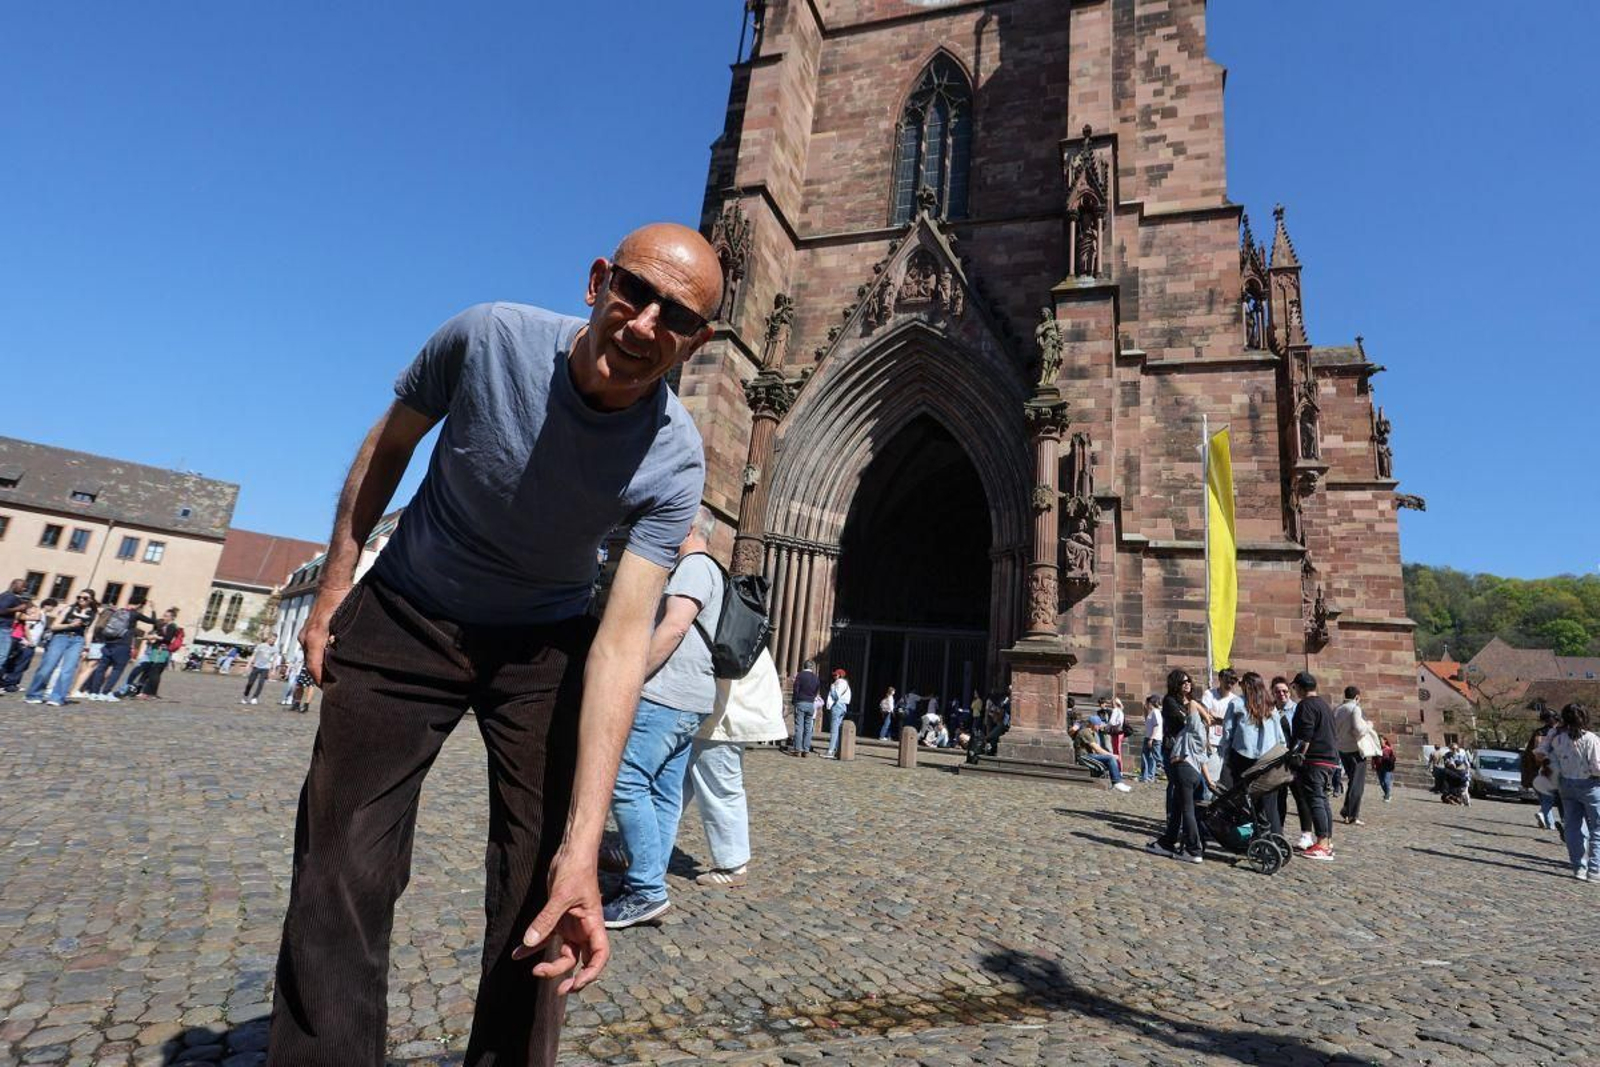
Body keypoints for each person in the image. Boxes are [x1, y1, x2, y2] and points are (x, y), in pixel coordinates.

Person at [265, 222, 722, 1067]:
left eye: (681, 318)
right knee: (342, 865)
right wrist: (334, 588)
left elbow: (621, 642)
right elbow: (390, 441)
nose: (648, 325)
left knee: (542, 884)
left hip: (544, 646)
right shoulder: (488, 337)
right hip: (410, 609)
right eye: (636, 291)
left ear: (700, 340)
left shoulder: (673, 457)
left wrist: (585, 849)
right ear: (596, 281)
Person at [604, 509, 724, 928]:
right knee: (663, 793)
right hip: (692, 699)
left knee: (626, 780)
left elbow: (674, 628)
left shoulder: (693, 567)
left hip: (667, 696)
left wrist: (631, 675)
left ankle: (646, 890)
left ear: (689, 529)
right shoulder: (714, 571)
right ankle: (647, 880)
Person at [685, 649, 786, 890]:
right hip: (720, 710)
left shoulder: (732, 620)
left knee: (720, 787)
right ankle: (643, 849)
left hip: (725, 713)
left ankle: (732, 865)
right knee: (674, 783)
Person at [1148, 671, 1213, 862]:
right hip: (1181, 756)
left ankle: (1193, 849)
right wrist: (1205, 716)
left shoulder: (1192, 709)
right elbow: (1184, 718)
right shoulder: (1171, 702)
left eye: (1189, 681)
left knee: (1185, 806)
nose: (1187, 684)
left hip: (1185, 760)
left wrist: (1203, 714)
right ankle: (1168, 842)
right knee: (1178, 802)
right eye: (1183, 681)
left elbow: (1193, 711)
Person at [1220, 672, 1288, 836]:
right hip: (1269, 759)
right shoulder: (1270, 706)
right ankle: (1275, 835)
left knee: (1243, 799)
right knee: (1269, 801)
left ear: (1246, 686)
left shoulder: (1236, 704)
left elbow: (1228, 733)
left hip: (1242, 758)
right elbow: (1280, 737)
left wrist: (1225, 755)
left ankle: (1247, 833)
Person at [1540, 703, 1600, 881]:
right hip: (1590, 784)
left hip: (1566, 783)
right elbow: (1597, 767)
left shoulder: (1558, 738)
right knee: (1597, 827)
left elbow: (1545, 755)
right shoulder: (1590, 739)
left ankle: (1579, 867)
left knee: (1572, 826)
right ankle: (1595, 869)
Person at [1288, 671, 1339, 861]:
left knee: (1316, 800)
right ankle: (1327, 841)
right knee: (1323, 800)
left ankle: (1322, 844)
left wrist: (1297, 756)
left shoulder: (1305, 706)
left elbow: (1305, 736)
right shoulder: (1324, 705)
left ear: (1300, 687)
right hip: (1329, 759)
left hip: (1314, 760)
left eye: (1295, 688)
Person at [25, 592, 97, 706]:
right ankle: (34, 694)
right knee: (47, 666)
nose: (81, 599)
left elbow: (90, 632)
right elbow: (54, 626)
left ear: (91, 600)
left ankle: (57, 697)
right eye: (79, 597)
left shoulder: (94, 614)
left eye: (85, 598)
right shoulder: (69, 608)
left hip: (78, 641)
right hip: (61, 637)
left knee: (68, 670)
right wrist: (69, 625)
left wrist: (87, 648)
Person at [83, 595, 158, 701]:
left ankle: (94, 692)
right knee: (117, 670)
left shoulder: (118, 611)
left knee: (101, 668)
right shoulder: (135, 614)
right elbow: (153, 621)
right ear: (139, 605)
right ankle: (105, 693)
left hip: (109, 643)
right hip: (123, 645)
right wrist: (153, 609)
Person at [1333, 685, 1375, 825]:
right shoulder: (1354, 708)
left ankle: (1347, 811)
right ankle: (1352, 815)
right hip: (1355, 750)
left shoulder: (1338, 709)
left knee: (1352, 781)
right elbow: (1358, 729)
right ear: (1357, 697)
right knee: (1358, 784)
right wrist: (1369, 725)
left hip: (1342, 749)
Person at [1201, 667, 1242, 786]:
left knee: (1225, 781)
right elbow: (1205, 715)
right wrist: (1223, 720)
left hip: (1228, 744)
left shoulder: (1235, 699)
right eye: (1227, 681)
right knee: (1211, 778)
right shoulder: (1209, 694)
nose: (1230, 684)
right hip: (1212, 742)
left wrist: (1218, 719)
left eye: (1233, 682)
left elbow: (1234, 722)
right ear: (1220, 679)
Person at [1071, 716, 1133, 792]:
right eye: (1098, 724)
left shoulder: (1092, 733)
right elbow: (1097, 749)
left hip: (1089, 755)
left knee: (1109, 759)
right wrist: (1111, 755)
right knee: (1110, 758)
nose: (1100, 726)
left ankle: (1118, 782)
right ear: (1093, 725)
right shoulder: (1085, 732)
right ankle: (1117, 782)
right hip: (1083, 757)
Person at [1525, 708, 1562, 830]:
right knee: (1555, 798)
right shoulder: (1560, 732)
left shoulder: (1539, 733)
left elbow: (1530, 754)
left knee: (1546, 797)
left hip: (1541, 769)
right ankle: (1551, 820)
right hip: (1555, 770)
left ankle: (1547, 818)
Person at [1, 598, 50, 691]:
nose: (33, 609)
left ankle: (7, 683)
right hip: (14, 638)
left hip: (17, 638)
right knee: (7, 661)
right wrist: (37, 613)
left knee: (12, 662)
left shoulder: (23, 614)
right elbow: (30, 621)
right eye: (31, 607)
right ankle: (7, 683)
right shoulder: (20, 614)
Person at [790, 659, 821, 757]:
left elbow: (796, 689)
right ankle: (806, 750)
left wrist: (794, 701)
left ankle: (798, 749)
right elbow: (816, 690)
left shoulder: (800, 675)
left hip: (800, 702)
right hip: (810, 704)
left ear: (804, 666)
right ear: (812, 667)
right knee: (808, 728)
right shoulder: (816, 678)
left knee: (799, 727)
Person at [239, 633, 278, 705]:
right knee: (250, 683)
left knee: (261, 684)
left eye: (274, 640)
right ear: (268, 638)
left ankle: (254, 698)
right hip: (256, 666)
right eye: (272, 639)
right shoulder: (261, 646)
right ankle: (245, 696)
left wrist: (273, 670)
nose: (273, 641)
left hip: (266, 667)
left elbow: (275, 660)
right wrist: (248, 665)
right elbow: (253, 655)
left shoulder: (275, 648)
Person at [822, 668, 852, 759]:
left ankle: (830, 751)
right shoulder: (846, 683)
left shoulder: (839, 682)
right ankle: (836, 750)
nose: (834, 676)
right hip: (843, 707)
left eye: (835, 675)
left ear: (839, 675)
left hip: (837, 706)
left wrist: (832, 688)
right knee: (838, 729)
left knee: (834, 730)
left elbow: (836, 696)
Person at [0, 579, 27, 675]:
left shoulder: (6, 595)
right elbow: (1, 610)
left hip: (4, 628)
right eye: (22, 586)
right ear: (14, 585)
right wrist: (18, 608)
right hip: (3, 629)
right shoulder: (9, 597)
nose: (24, 589)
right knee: (2, 656)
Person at [1139, 694, 1164, 782]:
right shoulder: (1151, 712)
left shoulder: (1155, 712)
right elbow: (1147, 721)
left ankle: (1153, 774)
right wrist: (1144, 709)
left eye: (1148, 702)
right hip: (1149, 737)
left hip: (1154, 738)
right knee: (1147, 757)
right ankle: (1147, 776)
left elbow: (1156, 725)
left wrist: (1151, 738)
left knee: (1155, 757)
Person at [1373, 735, 1397, 803]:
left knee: (1386, 781)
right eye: (1378, 740)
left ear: (1385, 740)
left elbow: (1393, 758)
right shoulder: (1377, 748)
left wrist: (1388, 760)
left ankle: (1387, 795)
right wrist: (1373, 765)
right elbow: (1374, 757)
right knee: (1382, 782)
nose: (1380, 741)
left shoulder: (1389, 749)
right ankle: (1387, 793)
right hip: (1379, 767)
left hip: (1387, 768)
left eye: (1381, 740)